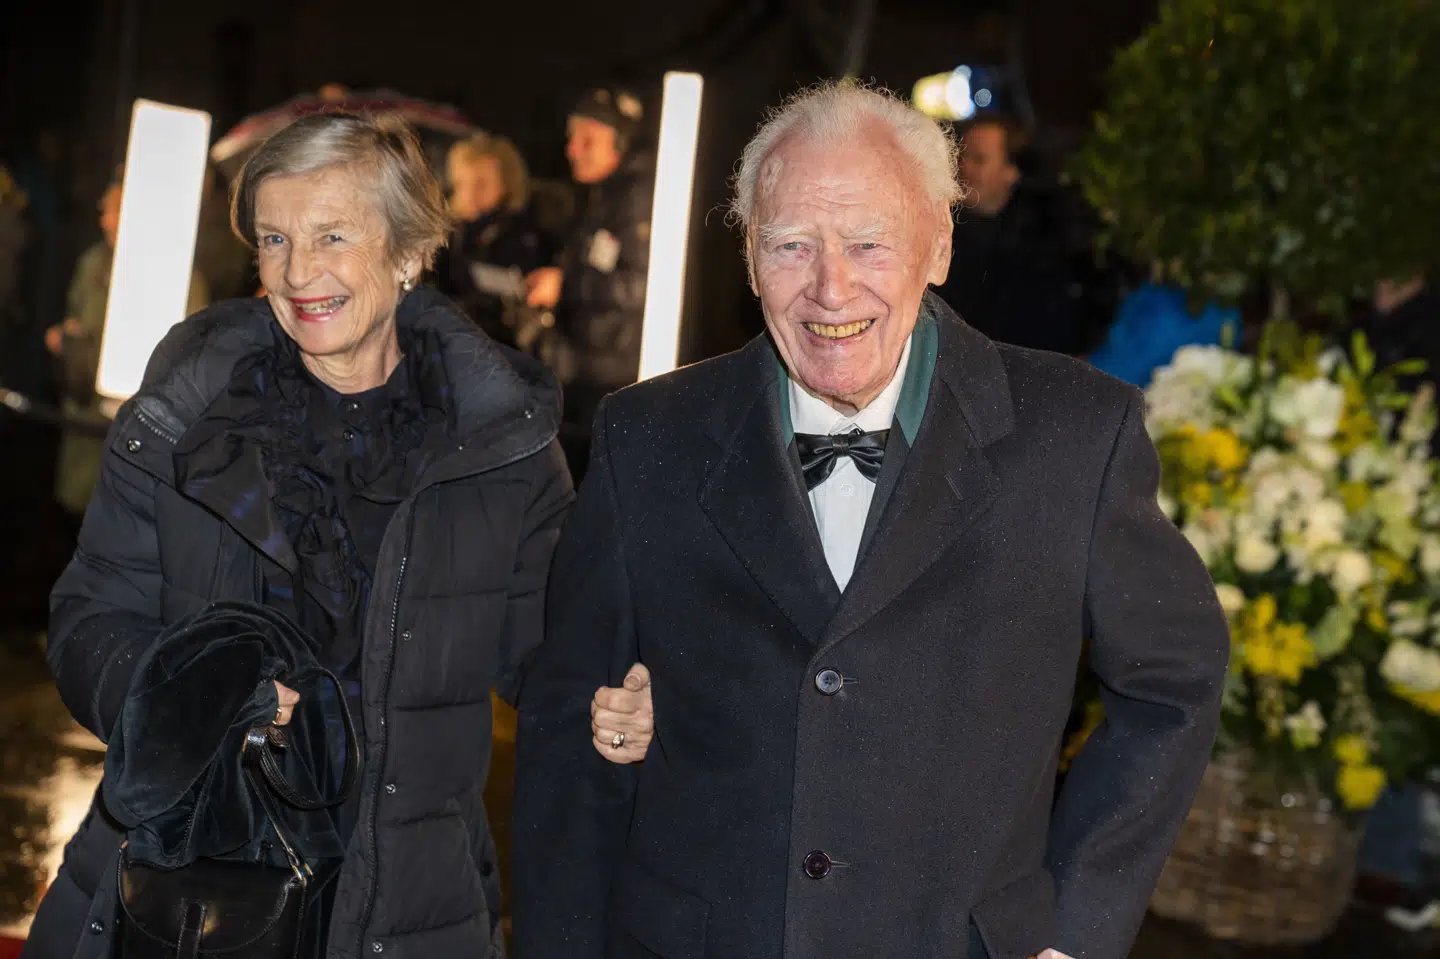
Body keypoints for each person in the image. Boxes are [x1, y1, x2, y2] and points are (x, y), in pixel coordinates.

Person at [512, 82, 1229, 959]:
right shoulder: (646, 437)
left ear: (940, 246)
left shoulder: (1076, 437)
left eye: (867, 243)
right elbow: (566, 728)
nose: (830, 286)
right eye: (791, 245)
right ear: (748, 260)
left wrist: (1075, 926)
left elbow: (1172, 684)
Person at [26, 114, 653, 959]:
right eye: (275, 238)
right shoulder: (184, 416)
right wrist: (199, 693)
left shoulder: (498, 442)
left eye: (331, 236)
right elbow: (89, 619)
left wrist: (614, 700)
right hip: (195, 890)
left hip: (413, 905)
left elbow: (552, 652)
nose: (297, 272)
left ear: (406, 254)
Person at [46, 174, 209, 517]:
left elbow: (194, 352)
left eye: (117, 209)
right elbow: (76, 316)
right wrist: (65, 338)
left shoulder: (178, 274)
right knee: (77, 515)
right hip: (84, 416)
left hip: (139, 431)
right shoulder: (93, 262)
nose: (106, 219)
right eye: (105, 209)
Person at [523, 88, 654, 474]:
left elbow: (642, 286)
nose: (572, 150)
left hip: (612, 376)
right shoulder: (604, 194)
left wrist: (564, 286)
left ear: (620, 142)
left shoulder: (637, 197)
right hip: (591, 368)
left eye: (587, 139)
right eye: (571, 138)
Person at [935, 115, 1091, 356]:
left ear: (1011, 171)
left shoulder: (1045, 242)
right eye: (961, 156)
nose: (965, 167)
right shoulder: (940, 232)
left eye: (979, 159)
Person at [434, 134, 557, 345]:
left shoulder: (521, 235)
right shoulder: (444, 229)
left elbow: (510, 287)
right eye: (464, 183)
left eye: (481, 183)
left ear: (506, 185)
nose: (471, 193)